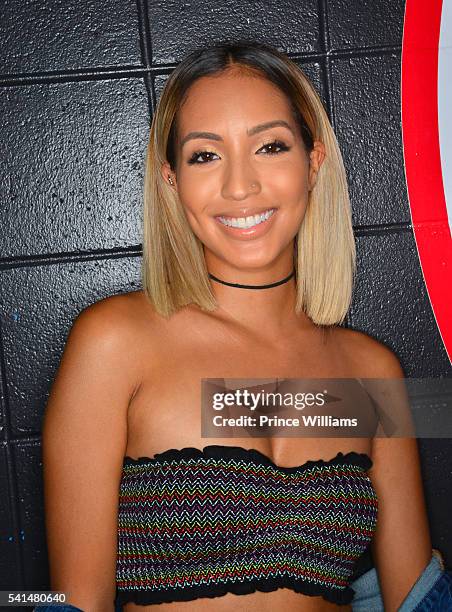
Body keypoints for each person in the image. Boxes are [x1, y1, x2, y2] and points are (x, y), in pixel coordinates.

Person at [36, 41, 452, 612]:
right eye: (204, 156)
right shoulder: (115, 343)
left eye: (270, 146)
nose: (239, 187)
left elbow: (418, 600)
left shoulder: (369, 372)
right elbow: (72, 602)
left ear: (313, 162)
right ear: (171, 181)